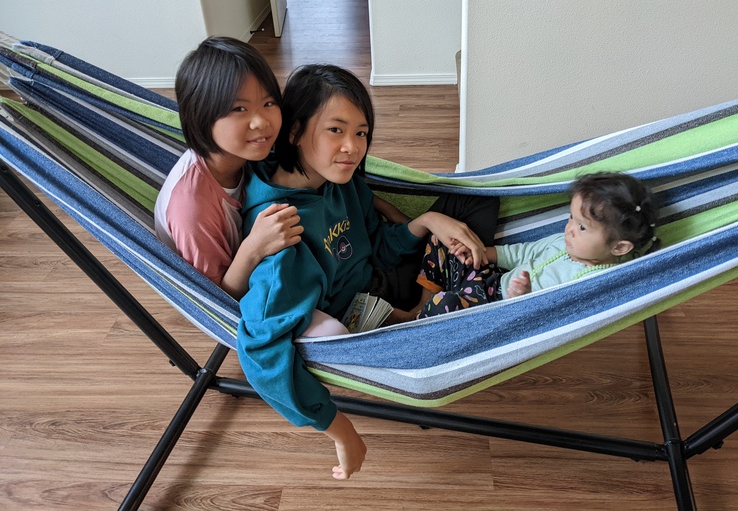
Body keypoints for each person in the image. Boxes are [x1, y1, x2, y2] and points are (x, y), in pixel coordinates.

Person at [237, 64, 493, 481]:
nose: (352, 148)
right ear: (296, 131)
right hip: (366, 309)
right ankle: (459, 293)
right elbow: (260, 351)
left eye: (361, 133)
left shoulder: (337, 181)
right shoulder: (283, 238)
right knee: (461, 298)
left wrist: (427, 221)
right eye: (336, 130)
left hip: (380, 270)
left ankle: (458, 281)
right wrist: (340, 429)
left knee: (476, 205)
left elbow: (376, 241)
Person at [153, 37, 346, 337]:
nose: (261, 122)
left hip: (277, 265)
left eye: (269, 103)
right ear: (201, 116)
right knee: (333, 334)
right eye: (239, 109)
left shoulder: (248, 152)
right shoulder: (191, 206)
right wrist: (254, 248)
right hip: (244, 290)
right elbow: (217, 300)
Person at [411, 172, 660, 319]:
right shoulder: (564, 243)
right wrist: (480, 253)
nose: (570, 229)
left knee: (446, 304)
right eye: (571, 217)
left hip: (495, 310)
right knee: (443, 241)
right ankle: (421, 305)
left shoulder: (596, 282)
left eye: (582, 227)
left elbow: (552, 318)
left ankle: (421, 318)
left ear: (619, 248)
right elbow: (522, 252)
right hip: (488, 280)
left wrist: (523, 298)